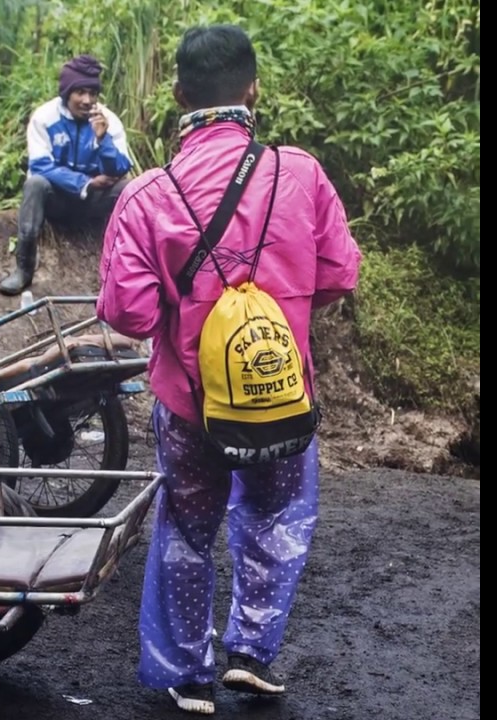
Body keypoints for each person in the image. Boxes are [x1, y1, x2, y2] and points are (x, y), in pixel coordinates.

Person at [95, 25, 362, 715]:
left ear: (180, 95)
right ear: (254, 89)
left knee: (187, 525)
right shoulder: (300, 173)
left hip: (189, 403)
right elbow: (338, 274)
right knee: (278, 515)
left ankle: (188, 673)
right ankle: (252, 652)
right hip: (280, 395)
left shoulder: (147, 195)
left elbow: (126, 313)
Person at [0, 54, 135, 296]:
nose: (87, 100)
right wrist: (85, 183)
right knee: (35, 184)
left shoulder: (108, 120)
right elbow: (40, 166)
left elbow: (120, 169)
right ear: (66, 93)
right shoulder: (44, 117)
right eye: (80, 92)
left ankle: (125, 269)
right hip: (58, 202)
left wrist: (103, 140)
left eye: (92, 93)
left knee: (130, 189)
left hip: (93, 204)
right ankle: (24, 268)